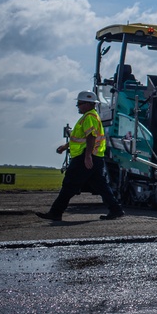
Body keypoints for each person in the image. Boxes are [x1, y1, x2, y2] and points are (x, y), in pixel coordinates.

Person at [38, 91, 126, 222]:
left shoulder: (89, 117)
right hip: (94, 157)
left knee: (69, 184)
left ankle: (56, 212)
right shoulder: (91, 116)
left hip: (84, 157)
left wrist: (87, 156)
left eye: (79, 103)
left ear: (88, 104)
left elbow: (91, 137)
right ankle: (116, 210)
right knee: (101, 185)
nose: (77, 106)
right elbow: (81, 138)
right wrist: (65, 146)